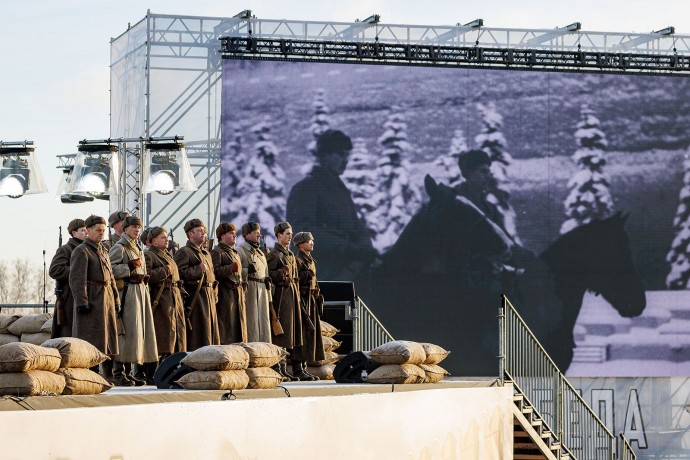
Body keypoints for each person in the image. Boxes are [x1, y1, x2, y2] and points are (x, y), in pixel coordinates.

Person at [286, 129, 376, 281]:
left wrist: (366, 247)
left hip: (347, 267)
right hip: (319, 275)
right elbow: (301, 234)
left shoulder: (340, 191)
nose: (345, 160)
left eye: (347, 154)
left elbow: (356, 226)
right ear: (324, 155)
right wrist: (348, 248)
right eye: (341, 154)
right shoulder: (306, 188)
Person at [69, 215, 119, 383]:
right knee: (91, 339)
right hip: (92, 298)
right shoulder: (81, 251)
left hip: (106, 298)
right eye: (98, 230)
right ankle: (91, 374)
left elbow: (111, 277)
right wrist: (82, 302)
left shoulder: (103, 250)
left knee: (108, 339)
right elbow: (77, 279)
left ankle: (107, 374)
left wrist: (116, 300)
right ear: (88, 231)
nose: (101, 233)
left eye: (103, 230)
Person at [109, 215, 158, 386]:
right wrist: (127, 267)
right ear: (126, 228)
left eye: (139, 227)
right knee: (126, 332)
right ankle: (118, 373)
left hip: (140, 292)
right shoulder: (120, 247)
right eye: (134, 227)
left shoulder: (137, 247)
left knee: (137, 334)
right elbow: (111, 270)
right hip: (128, 293)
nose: (137, 230)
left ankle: (129, 373)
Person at [268, 222, 314, 381]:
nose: (289, 236)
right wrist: (281, 273)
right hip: (281, 298)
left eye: (290, 233)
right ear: (279, 235)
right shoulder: (274, 254)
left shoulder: (289, 255)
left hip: (293, 296)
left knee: (293, 334)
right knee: (281, 334)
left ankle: (295, 369)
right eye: (287, 233)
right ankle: (279, 368)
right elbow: (271, 276)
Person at [174, 218, 220, 350]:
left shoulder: (206, 253)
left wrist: (215, 292)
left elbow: (212, 277)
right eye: (199, 231)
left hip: (209, 296)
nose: (203, 233)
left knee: (210, 333)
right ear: (190, 234)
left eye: (203, 231)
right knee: (199, 334)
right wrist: (198, 269)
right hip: (196, 297)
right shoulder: (184, 252)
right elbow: (180, 274)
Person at [144, 226, 186, 363]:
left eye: (166, 237)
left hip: (173, 299)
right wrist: (163, 270)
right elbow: (147, 277)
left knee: (173, 336)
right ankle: (150, 371)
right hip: (160, 300)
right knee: (160, 337)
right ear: (154, 241)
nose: (166, 239)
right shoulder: (149, 255)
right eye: (163, 237)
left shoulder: (167, 256)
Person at [293, 231, 325, 376]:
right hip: (303, 300)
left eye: (312, 241)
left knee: (310, 335)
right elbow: (296, 280)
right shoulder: (297, 260)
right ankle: (298, 368)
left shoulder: (310, 260)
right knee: (302, 335)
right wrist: (307, 275)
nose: (312, 243)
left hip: (311, 299)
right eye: (309, 241)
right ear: (300, 245)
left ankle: (304, 367)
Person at [49, 218, 87, 338]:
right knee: (67, 332)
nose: (86, 232)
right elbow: (54, 270)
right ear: (74, 233)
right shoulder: (65, 249)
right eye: (82, 230)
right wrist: (76, 271)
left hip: (81, 294)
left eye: (87, 230)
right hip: (68, 296)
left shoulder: (87, 248)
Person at [212, 223, 248, 344]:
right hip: (225, 295)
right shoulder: (217, 252)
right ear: (222, 236)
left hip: (237, 295)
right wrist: (229, 268)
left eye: (234, 233)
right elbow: (214, 273)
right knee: (226, 328)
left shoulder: (235, 253)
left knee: (238, 328)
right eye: (231, 233)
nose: (234, 235)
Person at [237, 222, 272, 343]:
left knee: (264, 321)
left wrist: (268, 283)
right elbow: (236, 273)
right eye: (256, 232)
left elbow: (266, 273)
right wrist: (246, 271)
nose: (259, 235)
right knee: (252, 321)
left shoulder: (261, 253)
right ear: (247, 235)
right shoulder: (240, 251)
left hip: (262, 290)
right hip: (250, 289)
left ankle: (266, 351)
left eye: (259, 232)